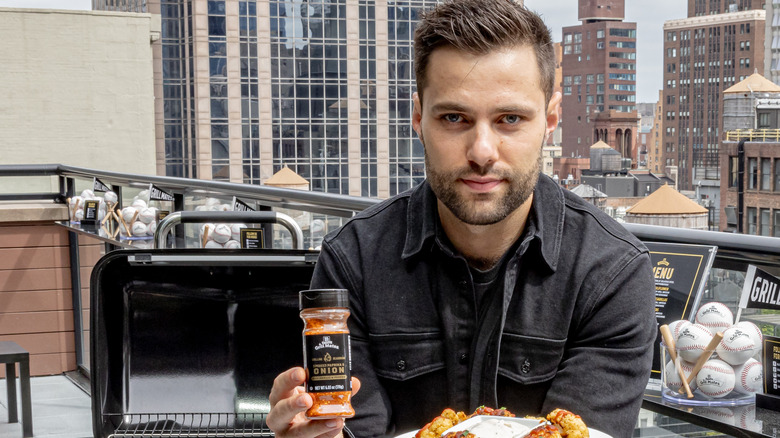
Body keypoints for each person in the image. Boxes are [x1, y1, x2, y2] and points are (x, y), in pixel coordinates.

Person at [267, 1, 656, 437]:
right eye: (454, 118)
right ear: (418, 117)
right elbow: (350, 429)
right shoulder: (352, 262)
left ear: (550, 120)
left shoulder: (612, 272)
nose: (482, 152)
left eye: (510, 119)